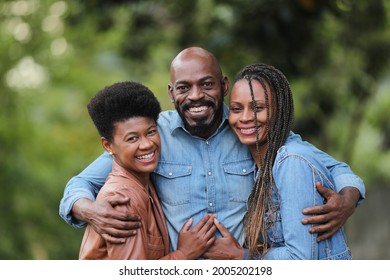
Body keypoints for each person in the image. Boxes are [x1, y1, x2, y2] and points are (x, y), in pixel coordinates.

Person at [59, 47, 365, 254]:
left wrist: (348, 200)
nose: (196, 96)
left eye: (206, 84)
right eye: (184, 87)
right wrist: (92, 211)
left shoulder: (248, 129)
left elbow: (330, 166)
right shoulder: (152, 136)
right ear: (171, 92)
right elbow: (80, 185)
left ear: (223, 85)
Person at [204, 63, 360, 259]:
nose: (244, 118)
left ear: (278, 110)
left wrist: (242, 257)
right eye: (236, 109)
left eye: (257, 108)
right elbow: (337, 167)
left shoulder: (291, 161)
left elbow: (300, 259)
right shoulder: (259, 155)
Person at [78, 81, 216, 259]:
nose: (147, 144)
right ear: (108, 145)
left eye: (151, 132)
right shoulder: (122, 200)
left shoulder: (144, 180)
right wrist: (184, 254)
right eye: (132, 138)